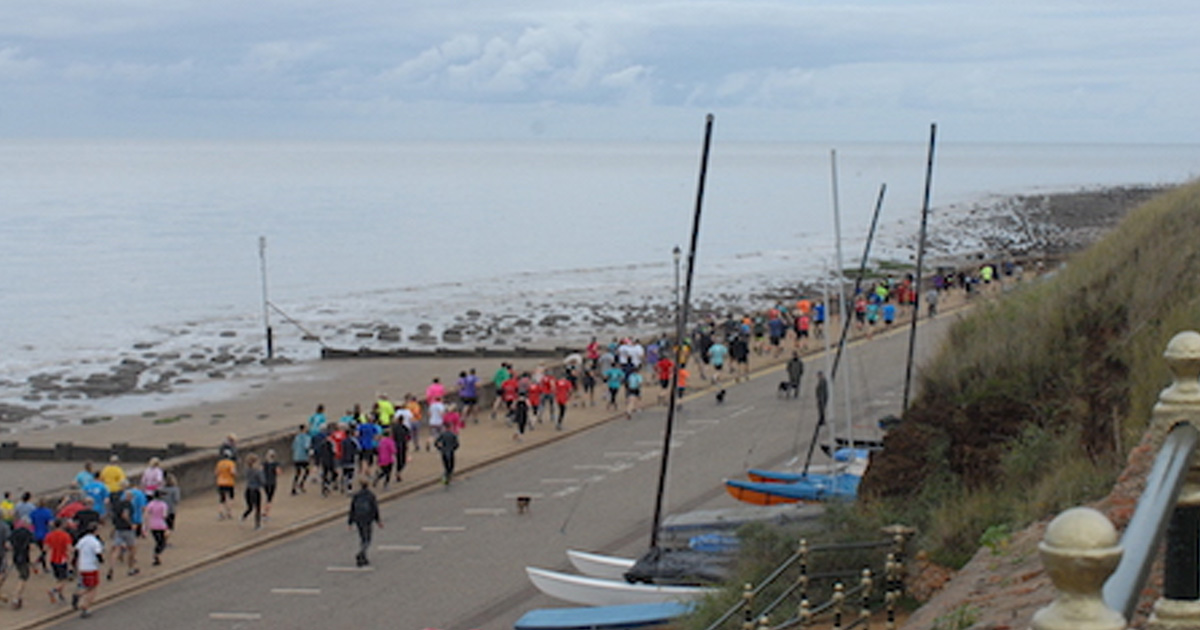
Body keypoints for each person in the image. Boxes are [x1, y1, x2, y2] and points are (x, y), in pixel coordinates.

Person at [348, 479, 382, 567]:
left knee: (362, 537)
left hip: (358, 518)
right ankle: (362, 552)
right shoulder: (371, 495)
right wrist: (378, 521)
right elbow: (375, 509)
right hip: (367, 519)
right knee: (368, 539)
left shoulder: (356, 495)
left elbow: (352, 509)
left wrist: (350, 522)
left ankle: (364, 556)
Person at [73, 522, 104, 618]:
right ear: (95, 531)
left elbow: (76, 551)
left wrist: (75, 563)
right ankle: (85, 607)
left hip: (82, 566)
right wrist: (101, 561)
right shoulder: (95, 542)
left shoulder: (82, 540)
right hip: (92, 567)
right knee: (93, 588)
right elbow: (98, 554)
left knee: (87, 585)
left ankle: (78, 594)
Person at [108, 488, 138, 577]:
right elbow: (125, 515)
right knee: (132, 549)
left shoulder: (117, 505)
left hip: (118, 529)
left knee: (116, 549)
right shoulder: (127, 504)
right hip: (127, 529)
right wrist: (131, 524)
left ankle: (111, 567)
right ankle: (131, 569)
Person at [43, 518, 73, 604]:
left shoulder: (49, 535)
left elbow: (45, 548)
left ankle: (61, 595)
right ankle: (53, 590)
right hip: (62, 559)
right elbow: (69, 548)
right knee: (64, 579)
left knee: (58, 579)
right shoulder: (65, 535)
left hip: (53, 559)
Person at [7, 518, 33, 609]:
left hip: (15, 557)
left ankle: (17, 597)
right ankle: (16, 597)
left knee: (19, 575)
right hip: (24, 557)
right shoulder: (28, 533)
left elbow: (8, 545)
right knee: (23, 577)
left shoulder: (14, 532)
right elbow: (32, 547)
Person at [143, 492, 170, 566]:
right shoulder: (163, 505)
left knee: (157, 540)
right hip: (161, 525)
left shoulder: (150, 504)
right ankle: (157, 553)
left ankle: (156, 555)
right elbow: (164, 515)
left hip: (153, 525)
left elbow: (146, 514)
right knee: (163, 541)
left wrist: (145, 526)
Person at [241, 453, 264, 529]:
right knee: (258, 508)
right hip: (255, 490)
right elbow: (262, 481)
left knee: (250, 507)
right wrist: (261, 471)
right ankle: (257, 524)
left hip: (248, 489)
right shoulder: (257, 471)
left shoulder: (247, 470)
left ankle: (244, 516)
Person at [291, 425, 312, 494]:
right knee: (307, 471)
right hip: (303, 457)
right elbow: (307, 447)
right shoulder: (307, 437)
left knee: (297, 473)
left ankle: (293, 488)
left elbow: (293, 447)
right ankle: (301, 484)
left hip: (296, 457)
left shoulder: (296, 437)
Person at [215, 453, 237, 520]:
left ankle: (220, 513)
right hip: (229, 482)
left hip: (220, 482)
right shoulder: (231, 463)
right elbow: (233, 472)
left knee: (222, 499)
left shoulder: (219, 463)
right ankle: (229, 512)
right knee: (231, 498)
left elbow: (216, 472)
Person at [262, 449, 280, 520]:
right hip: (272, 482)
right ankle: (266, 513)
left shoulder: (264, 464)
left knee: (267, 497)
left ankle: (264, 511)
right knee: (269, 499)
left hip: (265, 482)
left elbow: (261, 471)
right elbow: (278, 472)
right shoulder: (276, 464)